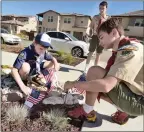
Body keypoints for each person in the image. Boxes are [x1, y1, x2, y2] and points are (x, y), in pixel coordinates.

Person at [64, 18, 144, 125]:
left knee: (94, 72)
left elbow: (106, 86)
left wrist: (73, 84)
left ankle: (87, 111)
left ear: (114, 33)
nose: (100, 43)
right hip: (136, 95)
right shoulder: (125, 46)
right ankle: (123, 111)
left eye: (101, 38)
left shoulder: (129, 51)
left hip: (138, 103)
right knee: (94, 86)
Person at [84, 1, 111, 73]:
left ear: (106, 8)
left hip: (102, 38)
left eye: (103, 8)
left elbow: (110, 29)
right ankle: (86, 68)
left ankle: (94, 70)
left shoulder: (108, 19)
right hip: (95, 36)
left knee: (98, 54)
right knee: (90, 52)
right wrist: (87, 31)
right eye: (100, 8)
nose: (101, 10)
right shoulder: (95, 17)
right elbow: (90, 27)